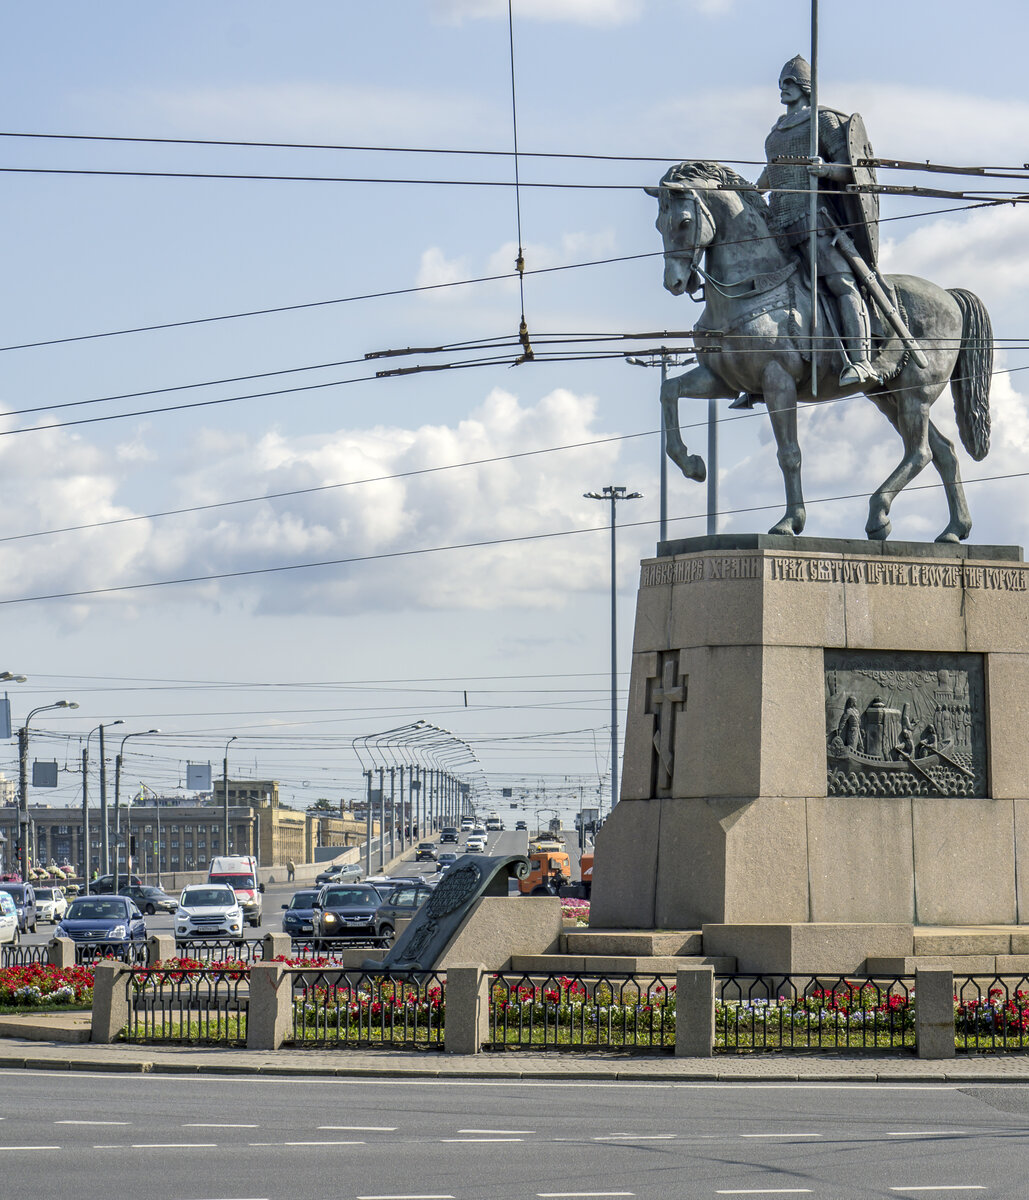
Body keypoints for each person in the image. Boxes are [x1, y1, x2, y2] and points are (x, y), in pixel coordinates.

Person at [757, 55, 877, 387]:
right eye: (782, 83)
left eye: (790, 82)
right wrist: (749, 191)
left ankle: (861, 360)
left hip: (814, 220)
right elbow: (773, 173)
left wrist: (824, 169)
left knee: (841, 283)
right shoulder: (776, 132)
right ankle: (759, 371)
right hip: (779, 225)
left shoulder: (823, 120)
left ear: (805, 86)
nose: (783, 88)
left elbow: (853, 170)